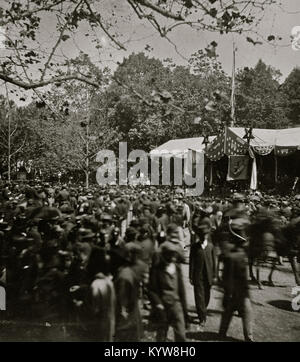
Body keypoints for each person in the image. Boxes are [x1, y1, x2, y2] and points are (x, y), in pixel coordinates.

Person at [219, 217, 254, 342]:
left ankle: (222, 333)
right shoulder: (236, 256)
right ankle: (248, 338)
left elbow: (225, 277)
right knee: (246, 313)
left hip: (235, 292)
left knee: (228, 314)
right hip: (238, 292)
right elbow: (227, 276)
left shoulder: (234, 254)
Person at [149, 241, 188, 342]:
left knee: (181, 334)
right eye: (170, 254)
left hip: (176, 305)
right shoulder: (157, 269)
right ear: (164, 255)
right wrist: (158, 304)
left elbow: (181, 291)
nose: (173, 257)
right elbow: (152, 290)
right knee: (161, 335)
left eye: (174, 254)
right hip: (163, 306)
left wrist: (185, 310)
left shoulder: (177, 268)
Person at [189, 216, 216, 331]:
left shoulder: (210, 247)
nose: (203, 236)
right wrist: (190, 276)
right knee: (199, 296)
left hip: (208, 275)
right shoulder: (194, 247)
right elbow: (191, 262)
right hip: (198, 275)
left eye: (204, 234)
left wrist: (214, 275)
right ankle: (202, 317)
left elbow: (215, 262)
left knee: (206, 296)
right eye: (201, 234)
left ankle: (202, 310)